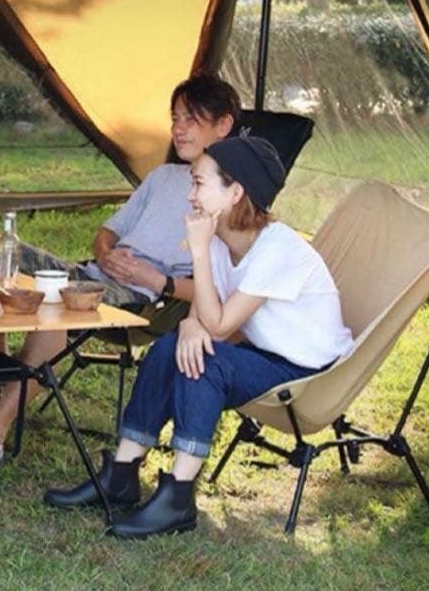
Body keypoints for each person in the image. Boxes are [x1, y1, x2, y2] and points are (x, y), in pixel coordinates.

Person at [43, 135, 354, 538]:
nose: (190, 195)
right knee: (169, 347)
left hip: (308, 372)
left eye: (199, 183)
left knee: (203, 360)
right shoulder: (223, 241)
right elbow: (205, 313)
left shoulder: (278, 249)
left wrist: (199, 255)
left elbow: (220, 325)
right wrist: (189, 324)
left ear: (235, 192)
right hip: (264, 353)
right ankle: (121, 473)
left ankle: (178, 497)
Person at [0, 75, 240, 484]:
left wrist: (156, 280)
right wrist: (106, 253)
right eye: (175, 118)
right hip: (96, 275)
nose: (178, 129)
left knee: (54, 303)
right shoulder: (163, 176)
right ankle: (0, 371)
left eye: (191, 118)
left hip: (146, 299)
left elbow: (220, 290)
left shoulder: (231, 196)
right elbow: (107, 231)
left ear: (224, 124)